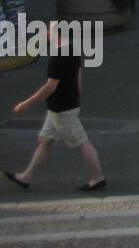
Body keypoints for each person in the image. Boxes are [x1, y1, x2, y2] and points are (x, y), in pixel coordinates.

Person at [4, 28, 106, 192]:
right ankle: (26, 176)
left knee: (82, 143)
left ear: (58, 34)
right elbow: (78, 72)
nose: (47, 35)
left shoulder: (58, 57)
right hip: (60, 108)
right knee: (45, 141)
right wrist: (77, 90)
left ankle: (98, 177)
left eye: (49, 32)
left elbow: (50, 86)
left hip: (62, 110)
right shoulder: (72, 48)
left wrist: (27, 103)